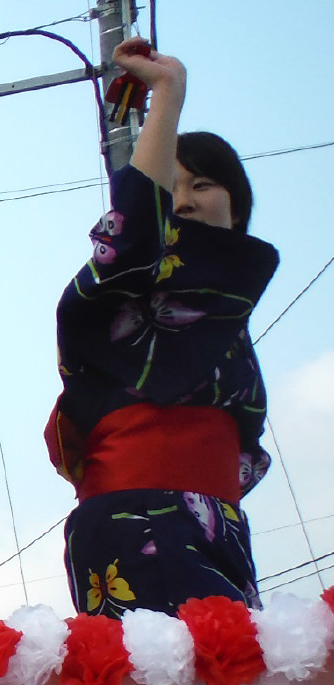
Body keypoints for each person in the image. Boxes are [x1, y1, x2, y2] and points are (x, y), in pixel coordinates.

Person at [50, 41, 279, 617]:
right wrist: (167, 95)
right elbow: (132, 234)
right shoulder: (130, 283)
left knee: (228, 681)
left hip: (218, 522)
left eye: (202, 185)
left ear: (239, 207)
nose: (185, 201)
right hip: (134, 520)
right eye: (173, 189)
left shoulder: (228, 313)